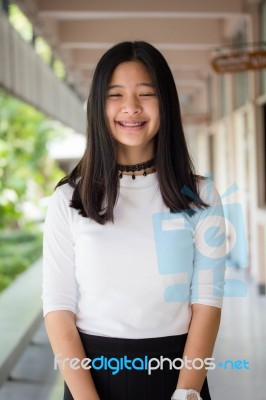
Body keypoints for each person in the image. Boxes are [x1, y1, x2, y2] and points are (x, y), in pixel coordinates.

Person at [42, 41, 226, 400]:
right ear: (98, 105)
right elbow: (58, 308)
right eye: (115, 95)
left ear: (166, 104)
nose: (131, 108)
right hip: (90, 382)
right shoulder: (68, 199)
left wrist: (185, 395)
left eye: (146, 93)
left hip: (179, 379)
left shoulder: (202, 196)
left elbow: (206, 305)